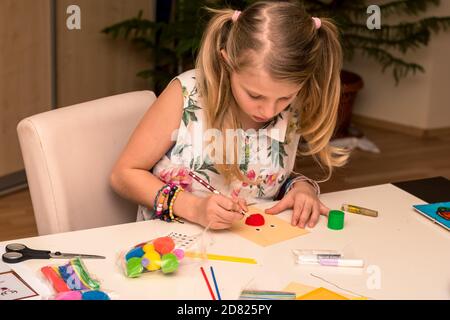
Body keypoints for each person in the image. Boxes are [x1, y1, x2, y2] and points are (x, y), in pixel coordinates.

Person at [110, 1, 348, 230]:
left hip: (250, 250)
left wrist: (300, 187)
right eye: (255, 96)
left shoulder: (292, 106)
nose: (268, 111)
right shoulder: (187, 95)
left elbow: (261, 179)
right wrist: (193, 208)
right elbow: (123, 175)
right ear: (227, 63)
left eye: (285, 98)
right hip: (170, 250)